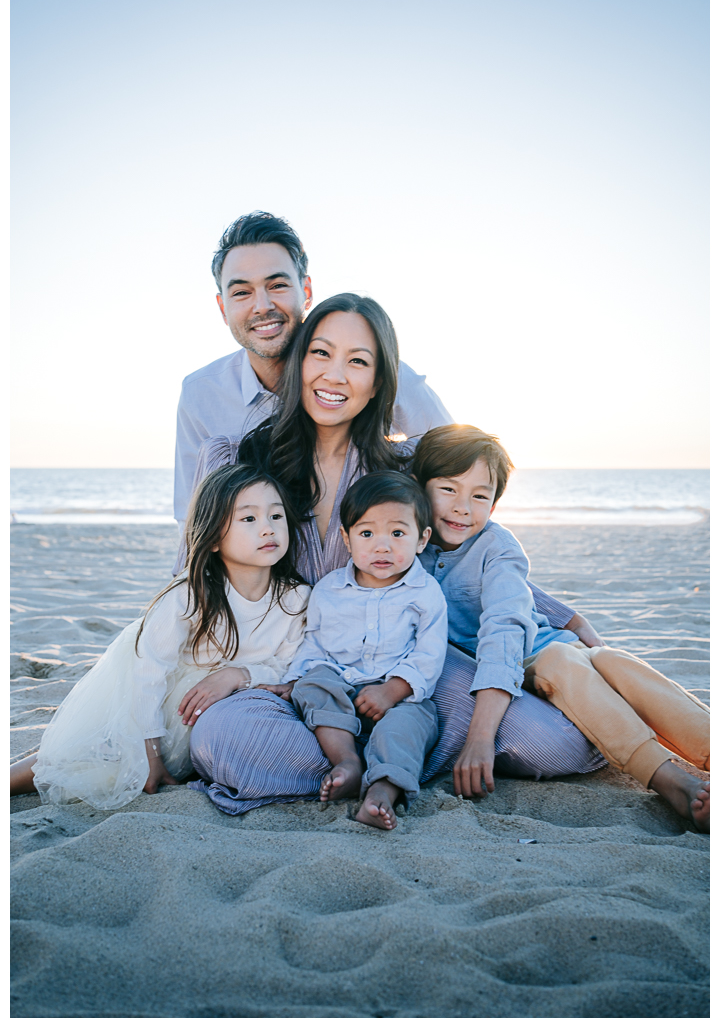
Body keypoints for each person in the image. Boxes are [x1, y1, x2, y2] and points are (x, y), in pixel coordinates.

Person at [188, 296, 605, 816]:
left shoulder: (403, 466)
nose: (335, 375)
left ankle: (388, 751)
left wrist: (562, 615)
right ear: (298, 363)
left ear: (380, 380)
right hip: (308, 667)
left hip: (406, 663)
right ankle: (373, 759)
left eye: (358, 361)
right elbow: (202, 564)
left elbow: (467, 546)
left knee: (555, 745)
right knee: (221, 739)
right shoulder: (245, 459)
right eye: (320, 353)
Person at [413, 423, 710, 833]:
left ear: (495, 506)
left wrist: (481, 736)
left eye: (480, 496)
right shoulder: (405, 546)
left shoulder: (498, 545)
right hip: (547, 659)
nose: (464, 507)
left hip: (540, 650)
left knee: (612, 660)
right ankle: (666, 777)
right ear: (418, 486)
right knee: (565, 660)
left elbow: (506, 626)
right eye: (448, 489)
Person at [10, 465, 310, 809]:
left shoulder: (296, 599)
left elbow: (289, 669)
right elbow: (148, 672)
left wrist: (238, 675)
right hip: (166, 714)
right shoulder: (189, 595)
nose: (268, 528)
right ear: (212, 538)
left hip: (226, 712)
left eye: (276, 515)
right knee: (85, 760)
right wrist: (151, 752)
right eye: (248, 519)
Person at [173, 210, 453, 533]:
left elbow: (459, 474)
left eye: (277, 285)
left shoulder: (380, 374)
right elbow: (192, 521)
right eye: (241, 292)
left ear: (306, 292)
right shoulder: (201, 395)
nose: (262, 305)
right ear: (223, 308)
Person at [260, 471, 447, 831]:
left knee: (409, 726)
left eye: (397, 533)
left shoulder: (425, 593)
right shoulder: (330, 589)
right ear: (346, 538)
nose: (382, 546)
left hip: (399, 694)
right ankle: (346, 761)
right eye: (366, 534)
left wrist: (394, 690)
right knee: (315, 686)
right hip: (341, 680)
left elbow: (430, 652)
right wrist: (295, 679)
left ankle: (382, 791)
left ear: (422, 539)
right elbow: (314, 642)